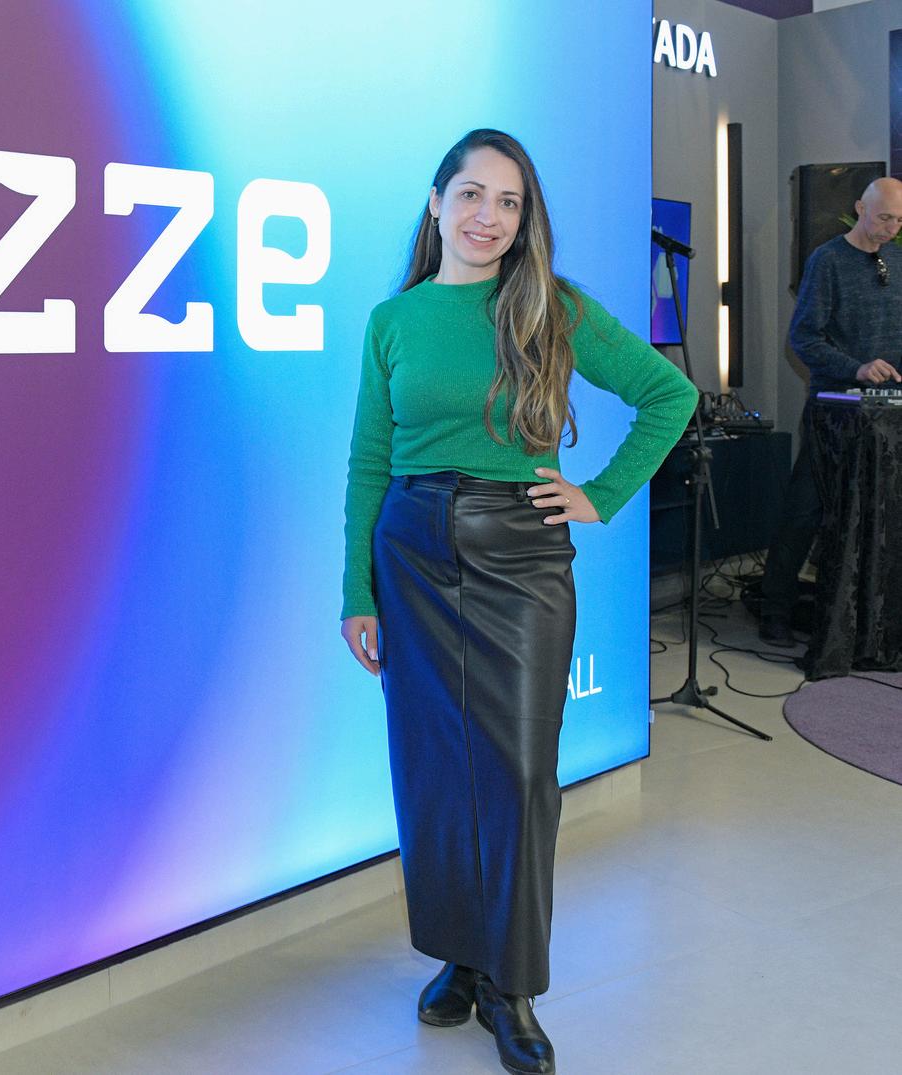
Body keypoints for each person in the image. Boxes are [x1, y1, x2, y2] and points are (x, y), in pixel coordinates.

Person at [338, 129, 697, 1075]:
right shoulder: (394, 320)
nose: (488, 216)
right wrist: (355, 589)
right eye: (471, 194)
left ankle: (512, 984)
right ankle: (460, 955)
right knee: (434, 770)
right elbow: (369, 461)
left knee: (521, 775)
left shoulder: (550, 305)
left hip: (521, 557)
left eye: (509, 201)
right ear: (436, 203)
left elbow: (669, 394)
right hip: (411, 554)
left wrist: (601, 494)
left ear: (524, 217)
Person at [757, 177, 902, 645]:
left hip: (887, 418)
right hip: (834, 412)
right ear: (860, 207)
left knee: (881, 517)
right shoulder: (828, 260)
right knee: (806, 511)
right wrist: (855, 368)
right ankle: (775, 609)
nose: (892, 228)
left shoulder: (898, 261)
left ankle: (870, 621)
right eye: (885, 217)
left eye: (899, 221)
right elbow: (804, 339)